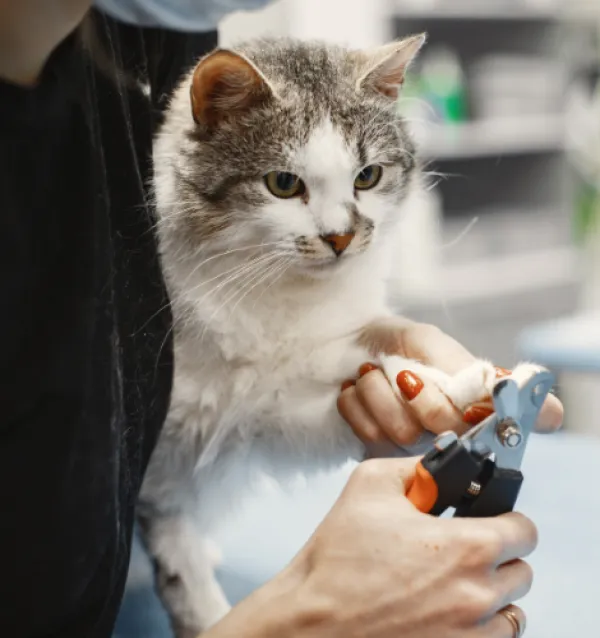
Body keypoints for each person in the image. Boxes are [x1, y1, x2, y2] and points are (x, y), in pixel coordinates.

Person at [0, 2, 563, 637]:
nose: (340, 232)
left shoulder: (158, 31)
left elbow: (264, 410)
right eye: (287, 185)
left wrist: (404, 381)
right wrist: (300, 619)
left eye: (369, 177)